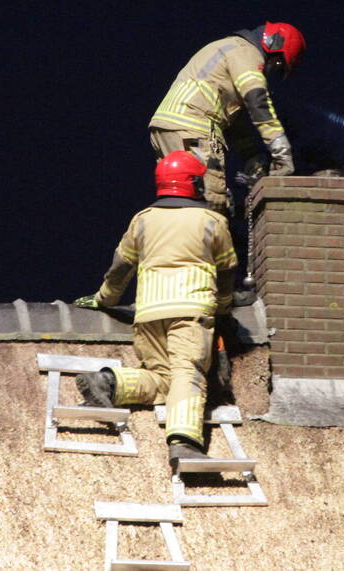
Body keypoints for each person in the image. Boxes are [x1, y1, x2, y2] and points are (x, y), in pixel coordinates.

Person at [73, 151, 237, 467]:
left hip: (148, 313)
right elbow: (228, 269)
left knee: (163, 379)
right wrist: (223, 307)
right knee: (188, 372)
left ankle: (108, 383)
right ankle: (185, 443)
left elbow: (121, 267)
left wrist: (104, 299)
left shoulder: (143, 220)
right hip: (190, 311)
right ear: (192, 183)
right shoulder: (212, 221)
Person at [148, 22, 306, 215]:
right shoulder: (246, 52)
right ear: (273, 44)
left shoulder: (229, 49)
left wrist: (253, 159)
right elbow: (257, 100)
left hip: (169, 127)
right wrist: (281, 150)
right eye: (278, 64)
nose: (271, 69)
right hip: (194, 127)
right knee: (213, 200)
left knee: (181, 196)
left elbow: (237, 125)